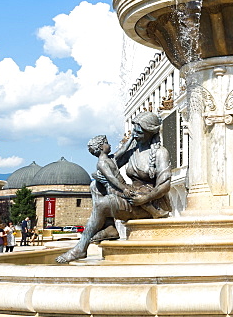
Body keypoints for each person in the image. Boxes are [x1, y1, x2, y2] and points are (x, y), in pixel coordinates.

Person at [56, 112, 172, 264]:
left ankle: (81, 247)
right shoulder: (133, 150)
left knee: (103, 204)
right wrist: (99, 175)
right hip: (132, 194)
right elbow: (109, 165)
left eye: (139, 130)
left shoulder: (160, 153)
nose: (134, 133)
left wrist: (147, 197)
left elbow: (165, 185)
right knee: (95, 185)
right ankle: (110, 227)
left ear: (150, 132)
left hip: (148, 201)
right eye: (134, 128)